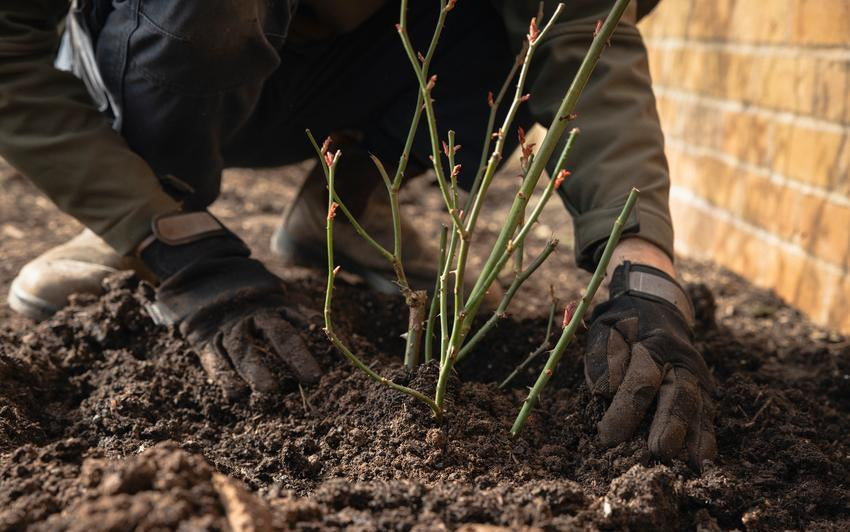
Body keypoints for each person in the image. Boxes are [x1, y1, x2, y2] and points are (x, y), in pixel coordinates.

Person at [0, 0, 716, 469]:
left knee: (501, 26)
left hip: (351, 58)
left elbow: (575, 27)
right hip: (175, 52)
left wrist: (641, 259)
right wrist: (162, 237)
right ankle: (158, 209)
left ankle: (350, 195)